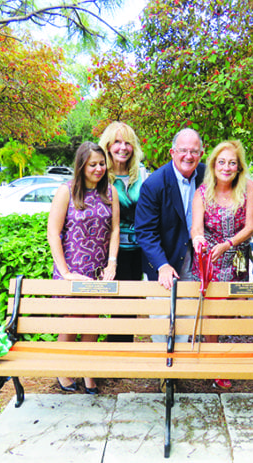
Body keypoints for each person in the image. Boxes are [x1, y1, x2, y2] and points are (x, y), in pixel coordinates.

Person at [47, 141, 120, 394]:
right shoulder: (66, 191)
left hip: (98, 269)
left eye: (102, 164)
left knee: (93, 320)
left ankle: (88, 370)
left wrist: (112, 262)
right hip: (72, 269)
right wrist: (65, 272)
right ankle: (62, 368)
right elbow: (53, 233)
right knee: (72, 318)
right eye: (93, 164)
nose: (98, 169)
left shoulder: (110, 192)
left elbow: (115, 229)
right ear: (81, 165)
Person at [190, 140, 253, 389]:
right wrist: (198, 238)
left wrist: (229, 243)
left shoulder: (248, 187)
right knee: (213, 312)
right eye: (222, 162)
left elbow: (250, 226)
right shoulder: (202, 191)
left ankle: (225, 350)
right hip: (212, 259)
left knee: (235, 311)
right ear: (213, 165)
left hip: (236, 257)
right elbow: (197, 226)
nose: (227, 167)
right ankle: (215, 361)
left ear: (239, 167)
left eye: (232, 162)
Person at [135, 128, 206, 345]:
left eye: (194, 151)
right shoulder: (154, 184)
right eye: (183, 150)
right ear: (172, 152)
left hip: (194, 258)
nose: (188, 156)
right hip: (163, 258)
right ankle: (164, 370)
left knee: (188, 311)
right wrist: (162, 265)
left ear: (201, 154)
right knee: (162, 314)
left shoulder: (207, 175)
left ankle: (180, 367)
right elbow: (145, 231)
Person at [99, 121, 146, 342]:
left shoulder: (142, 176)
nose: (122, 147)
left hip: (138, 248)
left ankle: (123, 353)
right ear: (107, 146)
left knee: (131, 303)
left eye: (127, 142)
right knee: (111, 303)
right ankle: (109, 353)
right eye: (117, 142)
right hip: (108, 248)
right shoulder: (100, 175)